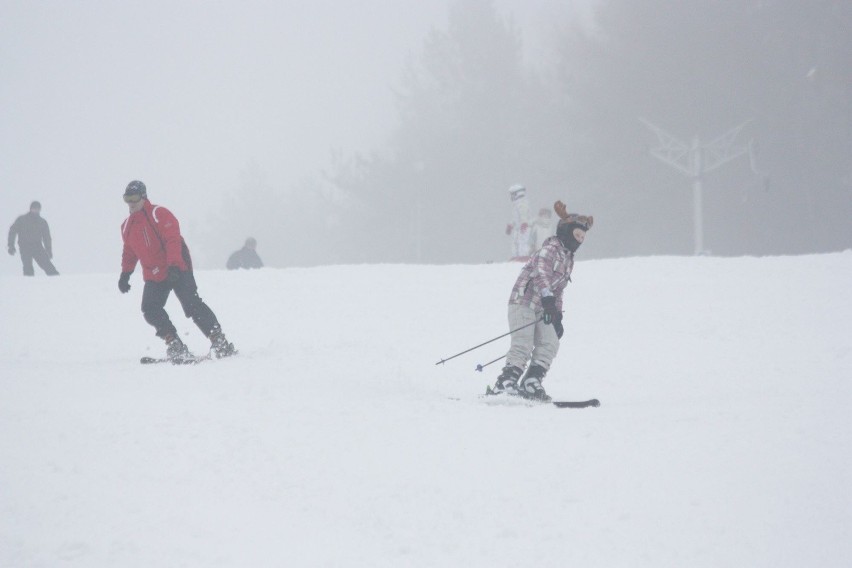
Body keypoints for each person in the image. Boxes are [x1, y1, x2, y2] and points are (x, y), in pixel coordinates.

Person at [118, 180, 236, 363]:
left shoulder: (159, 214)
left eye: (134, 198)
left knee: (191, 303)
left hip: (177, 264)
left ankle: (219, 341)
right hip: (154, 272)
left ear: (143, 197)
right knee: (149, 308)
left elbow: (172, 240)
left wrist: (174, 265)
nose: (131, 203)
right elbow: (130, 251)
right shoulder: (127, 226)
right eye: (127, 199)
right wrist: (125, 274)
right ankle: (174, 344)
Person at [491, 200, 593, 402]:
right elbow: (541, 274)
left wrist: (557, 315)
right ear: (566, 231)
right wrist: (547, 299)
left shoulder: (568, 259)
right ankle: (506, 382)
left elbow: (559, 290)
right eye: (576, 235)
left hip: (543, 307)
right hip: (524, 301)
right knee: (523, 342)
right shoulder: (551, 249)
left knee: (550, 342)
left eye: (582, 238)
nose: (579, 241)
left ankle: (531, 381)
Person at [7, 200, 59, 276]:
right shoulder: (22, 219)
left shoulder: (42, 222)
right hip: (25, 247)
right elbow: (12, 232)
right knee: (28, 268)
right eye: (34, 208)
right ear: (30, 209)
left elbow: (47, 237)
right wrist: (11, 246)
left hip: (37, 247)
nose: (36, 210)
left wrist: (48, 250)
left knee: (48, 267)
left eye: (37, 209)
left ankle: (58, 282)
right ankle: (29, 285)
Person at [504, 184, 535, 261]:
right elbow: (515, 217)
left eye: (512, 194)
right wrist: (511, 225)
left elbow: (523, 214)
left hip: (524, 227)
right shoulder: (516, 204)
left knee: (523, 242)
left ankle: (524, 256)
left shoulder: (523, 203)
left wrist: (524, 223)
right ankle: (516, 256)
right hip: (518, 227)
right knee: (515, 242)